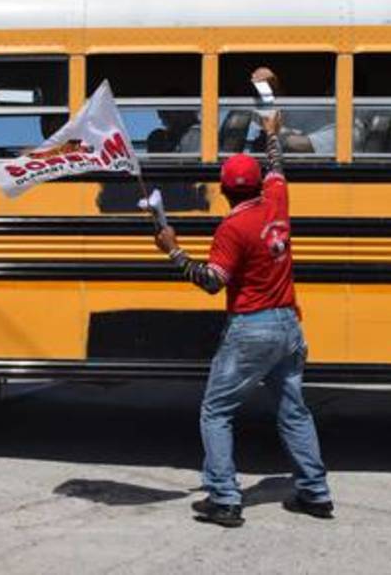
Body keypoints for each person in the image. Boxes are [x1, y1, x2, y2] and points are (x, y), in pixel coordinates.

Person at [154, 111, 333, 528]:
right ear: (256, 182)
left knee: (216, 411)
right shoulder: (277, 201)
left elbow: (213, 282)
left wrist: (173, 251)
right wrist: (271, 133)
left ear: (223, 190)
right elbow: (277, 166)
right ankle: (315, 492)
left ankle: (225, 499)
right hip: (289, 324)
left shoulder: (232, 228)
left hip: (251, 328)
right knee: (294, 411)